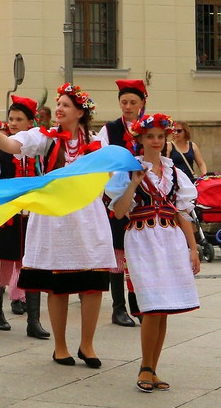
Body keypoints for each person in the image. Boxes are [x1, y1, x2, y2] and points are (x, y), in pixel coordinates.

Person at [0, 83, 114, 369]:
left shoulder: (96, 141)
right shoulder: (45, 138)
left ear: (80, 112)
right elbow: (13, 145)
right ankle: (61, 346)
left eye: (65, 105)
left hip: (88, 217)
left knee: (92, 284)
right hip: (55, 218)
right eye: (59, 104)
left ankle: (87, 344)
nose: (59, 109)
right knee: (58, 284)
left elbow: (110, 177)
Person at [111, 113, 200, 393]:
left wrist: (193, 248)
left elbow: (183, 212)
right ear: (140, 138)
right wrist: (135, 183)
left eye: (161, 136)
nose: (156, 141)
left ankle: (153, 367)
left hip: (170, 239)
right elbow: (119, 211)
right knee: (151, 306)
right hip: (142, 238)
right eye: (150, 136)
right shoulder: (129, 169)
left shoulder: (175, 171)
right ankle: (144, 367)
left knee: (163, 309)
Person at [0, 95, 49, 338]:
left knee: (33, 266)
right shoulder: (1, 151)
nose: (14, 123)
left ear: (31, 123)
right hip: (6, 219)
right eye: (11, 119)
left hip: (33, 219)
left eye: (19, 119)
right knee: (2, 264)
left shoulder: (40, 150)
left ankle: (34, 320)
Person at [95, 78, 148, 328]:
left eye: (132, 102)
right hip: (117, 197)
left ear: (142, 104)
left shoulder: (149, 127)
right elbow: (104, 162)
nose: (127, 106)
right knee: (118, 252)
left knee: (139, 251)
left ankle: (139, 303)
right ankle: (118, 308)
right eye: (123, 102)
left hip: (145, 195)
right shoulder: (110, 129)